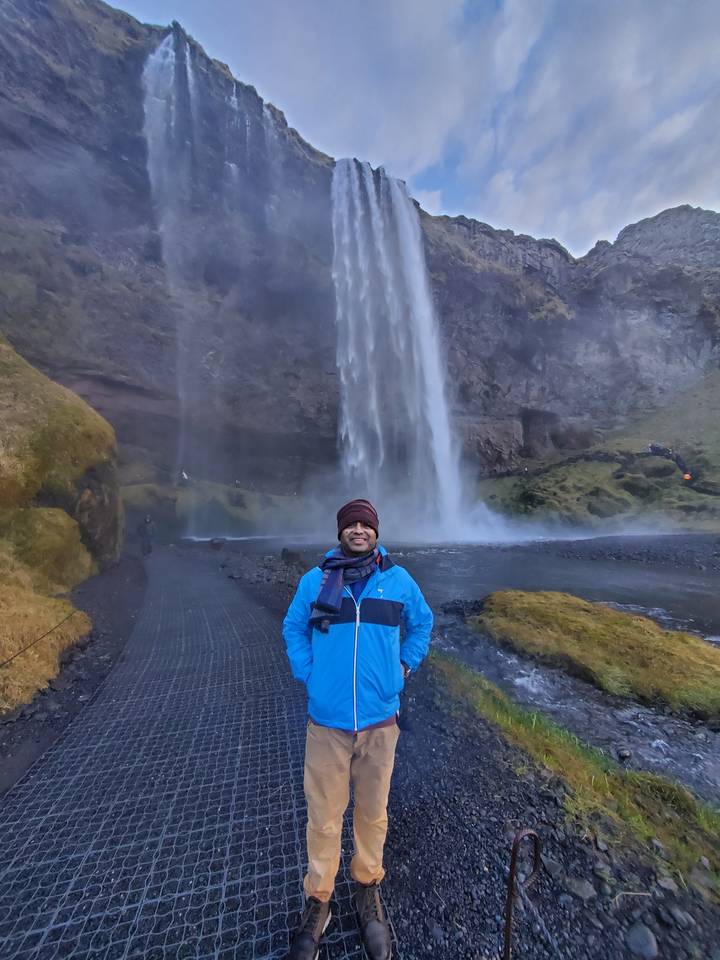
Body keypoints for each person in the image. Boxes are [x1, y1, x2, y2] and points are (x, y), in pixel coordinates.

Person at [282, 499, 432, 960]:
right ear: (341, 532)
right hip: (327, 723)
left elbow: (422, 624)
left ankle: (367, 888)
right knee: (324, 816)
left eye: (366, 525)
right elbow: (292, 628)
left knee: (373, 811)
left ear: (376, 532)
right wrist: (311, 674)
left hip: (379, 722)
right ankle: (319, 899)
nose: (360, 531)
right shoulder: (315, 581)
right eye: (352, 525)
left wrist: (402, 669)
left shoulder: (398, 581)